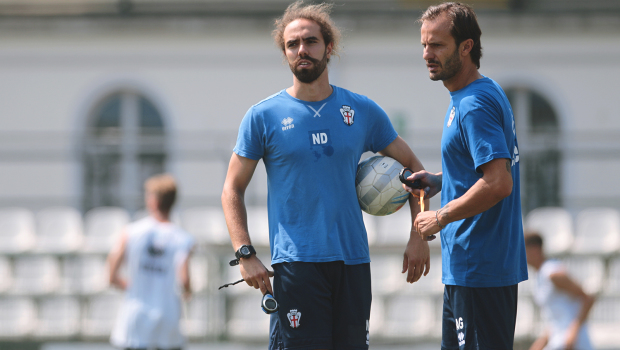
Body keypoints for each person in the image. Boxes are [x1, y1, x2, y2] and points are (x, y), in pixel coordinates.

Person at [220, 1, 429, 349]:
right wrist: (245, 254)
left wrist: (418, 234)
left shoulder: (362, 110)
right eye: (292, 44)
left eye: (311, 41)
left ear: (328, 47)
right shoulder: (263, 116)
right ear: (285, 53)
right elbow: (231, 189)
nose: (302, 49)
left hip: (353, 263)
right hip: (296, 266)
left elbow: (417, 172)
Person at [407, 2, 528, 349]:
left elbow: (499, 182)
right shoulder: (471, 94)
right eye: (424, 45)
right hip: (470, 268)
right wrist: (441, 180)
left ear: (466, 46)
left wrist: (440, 216)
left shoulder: (474, 103)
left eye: (438, 45)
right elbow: (484, 170)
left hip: (480, 268)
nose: (428, 54)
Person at [108, 174, 194, 350]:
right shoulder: (183, 238)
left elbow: (111, 273)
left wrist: (128, 285)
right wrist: (187, 292)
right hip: (167, 318)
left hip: (136, 317)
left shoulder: (131, 232)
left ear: (153, 201)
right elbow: (184, 280)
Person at [524, 231, 596, 350]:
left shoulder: (553, 274)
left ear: (535, 249)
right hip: (559, 340)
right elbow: (555, 319)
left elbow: (588, 299)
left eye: (523, 249)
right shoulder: (540, 276)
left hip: (573, 342)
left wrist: (573, 333)